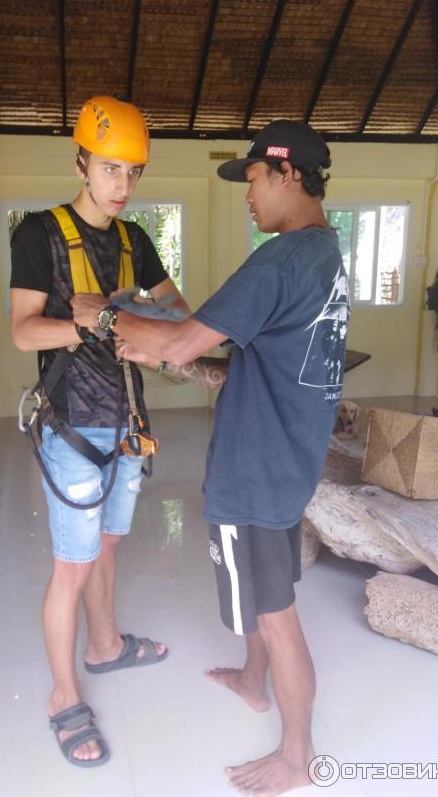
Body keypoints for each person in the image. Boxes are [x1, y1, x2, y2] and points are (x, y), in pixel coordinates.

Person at [72, 119, 349, 795]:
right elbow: (239, 361)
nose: (247, 195)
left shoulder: (280, 259)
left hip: (253, 471)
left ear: (286, 174)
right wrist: (171, 351)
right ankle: (253, 681)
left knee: (277, 616)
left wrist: (102, 316)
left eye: (253, 178)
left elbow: (182, 341)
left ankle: (297, 755)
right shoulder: (324, 255)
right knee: (264, 596)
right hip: (287, 461)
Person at [10, 95, 188, 767]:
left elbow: (177, 311)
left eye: (134, 173)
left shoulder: (134, 241)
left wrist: (165, 322)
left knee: (108, 548)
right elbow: (24, 329)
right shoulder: (39, 234)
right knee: (72, 567)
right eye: (112, 169)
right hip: (71, 428)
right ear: (81, 162)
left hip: (127, 423)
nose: (124, 185)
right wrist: (89, 321)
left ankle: (105, 646)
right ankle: (63, 695)